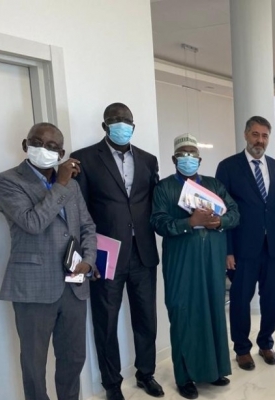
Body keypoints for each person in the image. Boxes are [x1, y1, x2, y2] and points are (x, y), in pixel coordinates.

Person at [0, 123, 98, 400]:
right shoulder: (7, 181)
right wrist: (60, 184)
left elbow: (87, 227)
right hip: (33, 288)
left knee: (74, 358)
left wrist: (88, 261)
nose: (44, 149)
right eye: (37, 143)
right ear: (25, 144)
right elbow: (33, 223)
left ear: (61, 153)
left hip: (74, 286)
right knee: (34, 363)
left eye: (52, 147)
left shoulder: (72, 186)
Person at [71, 103, 162, 400]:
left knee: (146, 319)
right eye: (116, 120)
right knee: (106, 322)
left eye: (127, 120)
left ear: (133, 126)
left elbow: (153, 202)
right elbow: (80, 212)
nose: (122, 124)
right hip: (105, 255)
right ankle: (112, 384)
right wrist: (88, 255)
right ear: (105, 125)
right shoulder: (84, 159)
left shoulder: (148, 160)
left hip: (143, 253)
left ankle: (146, 374)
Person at [151, 134, 239, 399]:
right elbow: (158, 222)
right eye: (183, 155)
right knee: (183, 313)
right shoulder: (164, 188)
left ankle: (214, 370)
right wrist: (189, 223)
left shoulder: (214, 185)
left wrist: (219, 222)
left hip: (212, 258)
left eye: (193, 155)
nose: (188, 159)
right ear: (174, 159)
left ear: (200, 160)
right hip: (181, 261)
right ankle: (184, 377)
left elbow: (235, 213)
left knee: (212, 311)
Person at [215, 116, 275, 371]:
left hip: (274, 248)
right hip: (242, 249)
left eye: (264, 136)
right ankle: (242, 349)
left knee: (270, 299)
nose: (260, 140)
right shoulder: (228, 167)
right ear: (246, 135)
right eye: (255, 134)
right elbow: (222, 211)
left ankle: (266, 344)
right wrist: (227, 250)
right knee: (240, 300)